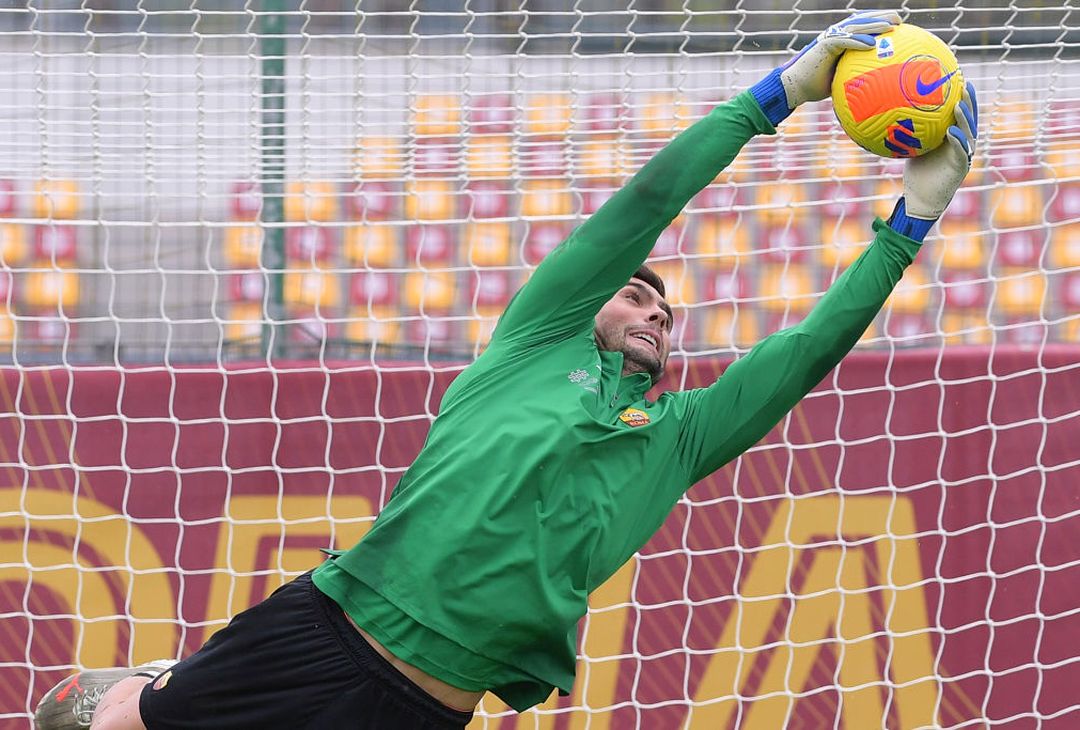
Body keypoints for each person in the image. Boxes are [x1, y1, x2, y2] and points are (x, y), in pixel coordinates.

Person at [35, 9, 978, 730]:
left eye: (668, 312)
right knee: (124, 726)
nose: (654, 310)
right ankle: (133, 692)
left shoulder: (681, 435)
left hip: (430, 710)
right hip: (318, 637)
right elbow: (647, 204)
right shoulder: (534, 343)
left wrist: (908, 231)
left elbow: (807, 350)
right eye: (636, 296)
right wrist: (776, 95)